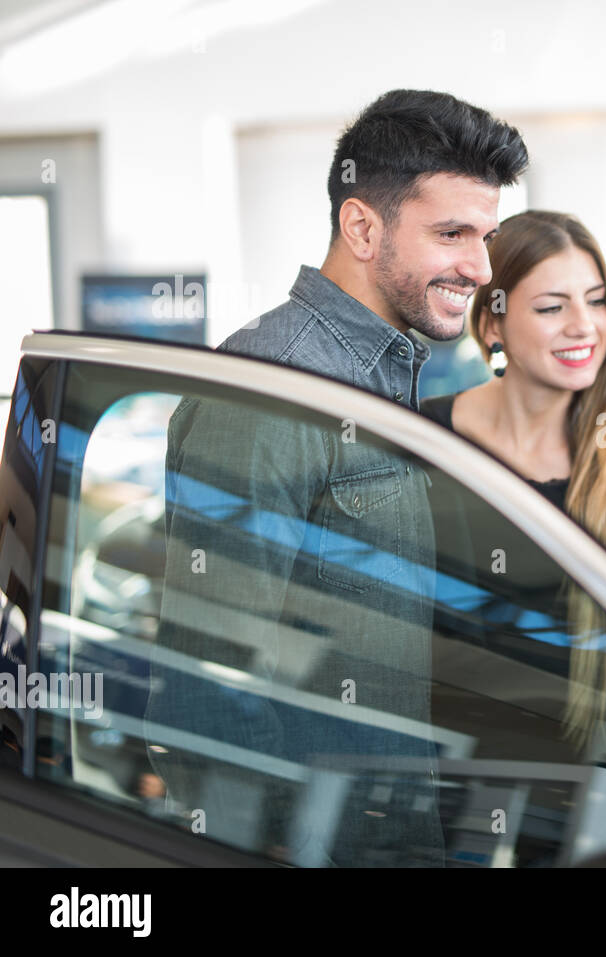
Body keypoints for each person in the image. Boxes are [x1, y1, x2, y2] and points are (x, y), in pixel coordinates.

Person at [144, 89, 528, 866]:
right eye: (451, 233)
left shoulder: (387, 372)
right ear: (362, 226)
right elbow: (207, 684)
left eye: (485, 237)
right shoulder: (277, 385)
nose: (480, 268)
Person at [420, 209, 606, 743]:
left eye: (595, 301)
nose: (583, 326)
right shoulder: (422, 442)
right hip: (441, 779)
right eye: (551, 307)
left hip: (592, 791)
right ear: (492, 323)